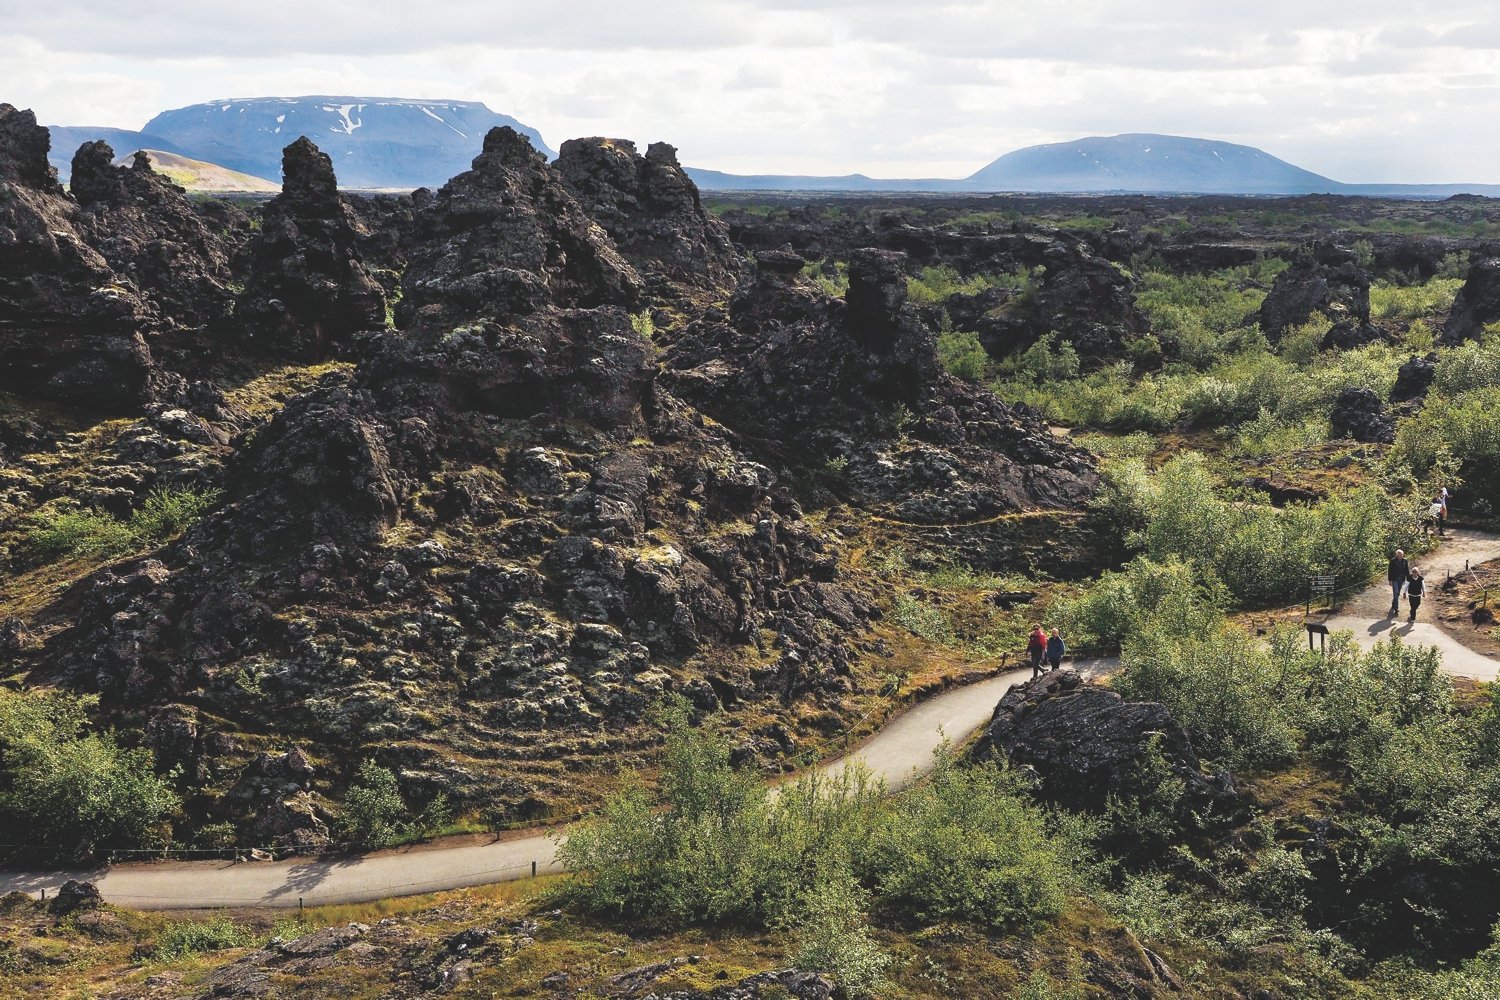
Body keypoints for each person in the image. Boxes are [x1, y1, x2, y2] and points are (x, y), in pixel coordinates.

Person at [1387, 549, 1409, 618]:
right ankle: (1396, 609)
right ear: (1397, 555)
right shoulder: (1393, 561)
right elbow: (1389, 571)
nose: (1400, 556)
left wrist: (1409, 579)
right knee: (1396, 592)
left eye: (1401, 555)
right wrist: (1390, 580)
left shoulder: (1405, 561)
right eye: (1399, 555)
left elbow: (1406, 570)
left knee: (1397, 594)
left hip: (1401, 579)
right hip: (1394, 579)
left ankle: (1393, 605)